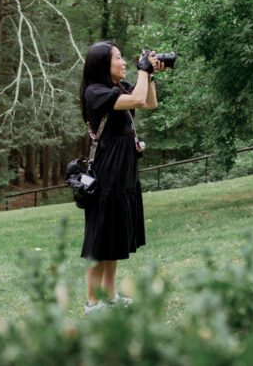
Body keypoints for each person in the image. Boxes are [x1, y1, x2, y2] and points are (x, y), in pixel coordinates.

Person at [79, 41, 164, 313]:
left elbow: (149, 102)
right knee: (99, 241)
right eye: (118, 58)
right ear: (103, 63)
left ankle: (110, 296)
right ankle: (93, 303)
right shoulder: (95, 92)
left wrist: (150, 75)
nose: (123, 62)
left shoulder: (119, 87)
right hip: (106, 175)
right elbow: (138, 99)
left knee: (113, 238)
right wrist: (143, 69)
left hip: (123, 174)